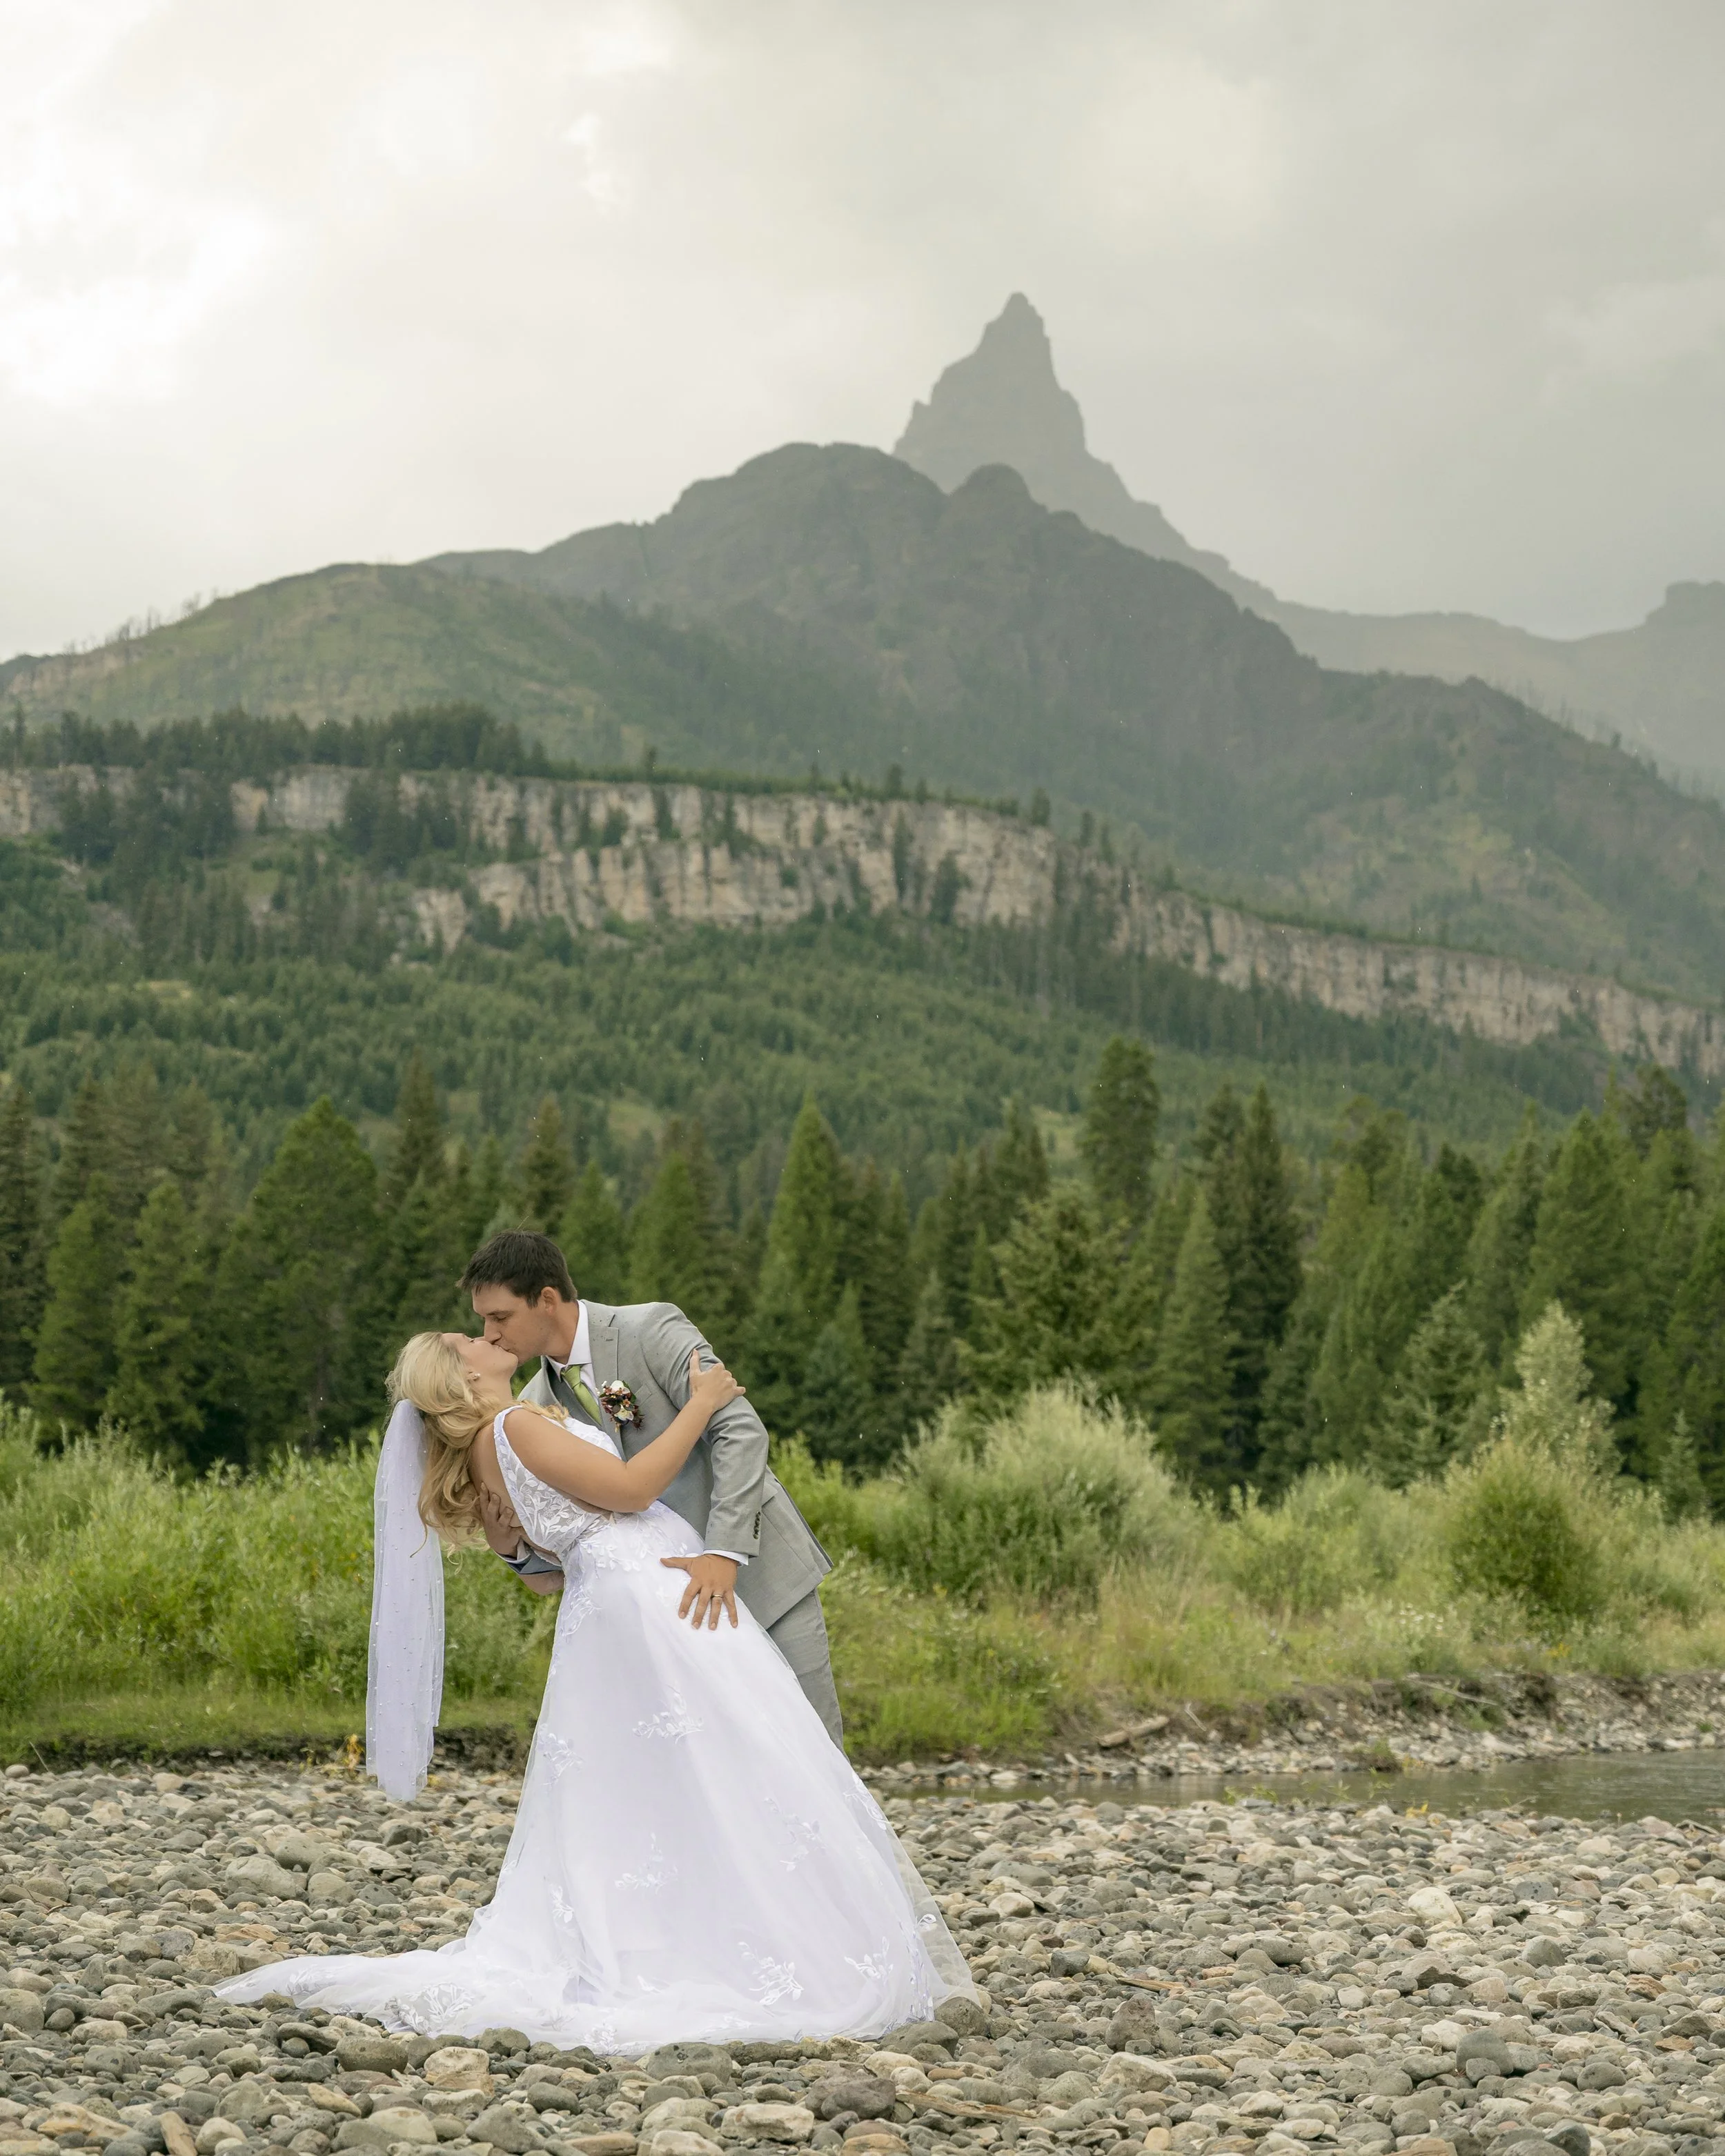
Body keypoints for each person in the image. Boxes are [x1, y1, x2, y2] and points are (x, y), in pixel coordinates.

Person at [218, 1330, 974, 2048]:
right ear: (462, 1371)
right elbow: (631, 1485)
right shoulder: (513, 1425)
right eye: (475, 1336)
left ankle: (712, 1922)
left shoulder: (488, 1444)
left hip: (607, 1600)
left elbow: (545, 1573)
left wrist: (511, 1548)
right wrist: (702, 1404)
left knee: (668, 1774)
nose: (491, 1337)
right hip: (645, 1597)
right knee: (732, 1754)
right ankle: (769, 1934)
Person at [459, 1230, 844, 1745]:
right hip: (673, 1617)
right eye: (482, 1320)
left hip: (761, 1576)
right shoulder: (532, 1406)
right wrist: (513, 1552)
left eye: (499, 1316)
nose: (488, 1334)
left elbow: (740, 1430)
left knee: (814, 1748)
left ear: (546, 1299)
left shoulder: (649, 1326)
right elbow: (577, 1539)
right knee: (731, 1766)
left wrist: (724, 1551)